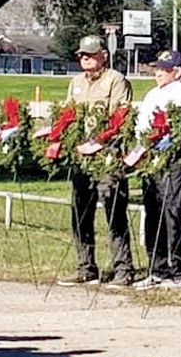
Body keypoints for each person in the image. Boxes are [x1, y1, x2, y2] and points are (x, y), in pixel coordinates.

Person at [56, 35, 135, 288]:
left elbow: (119, 117)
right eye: (81, 55)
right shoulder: (76, 82)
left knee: (114, 211)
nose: (84, 58)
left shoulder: (116, 80)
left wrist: (99, 142)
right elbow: (68, 114)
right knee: (80, 211)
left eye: (89, 54)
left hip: (106, 156)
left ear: (103, 55)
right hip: (81, 156)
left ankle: (123, 268)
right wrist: (59, 138)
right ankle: (86, 267)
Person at [133, 50, 181, 290]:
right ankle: (157, 267)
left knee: (171, 213)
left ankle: (179, 270)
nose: (158, 73)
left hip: (173, 159)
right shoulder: (152, 94)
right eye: (157, 69)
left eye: (165, 69)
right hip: (152, 158)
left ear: (178, 72)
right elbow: (141, 125)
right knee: (152, 211)